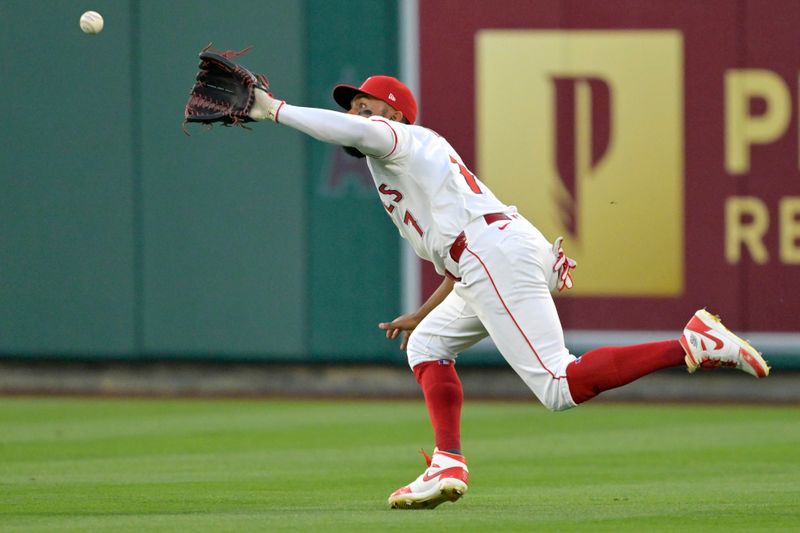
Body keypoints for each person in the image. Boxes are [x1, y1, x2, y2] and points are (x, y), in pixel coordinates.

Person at [246, 75, 770, 509]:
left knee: (558, 385)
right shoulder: (399, 171)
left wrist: (273, 110)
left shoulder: (398, 139)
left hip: (491, 253)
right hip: (494, 251)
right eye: (354, 106)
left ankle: (690, 344)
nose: (358, 111)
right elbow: (454, 268)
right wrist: (421, 314)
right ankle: (447, 463)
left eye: (367, 104)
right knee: (429, 345)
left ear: (396, 114)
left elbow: (343, 130)